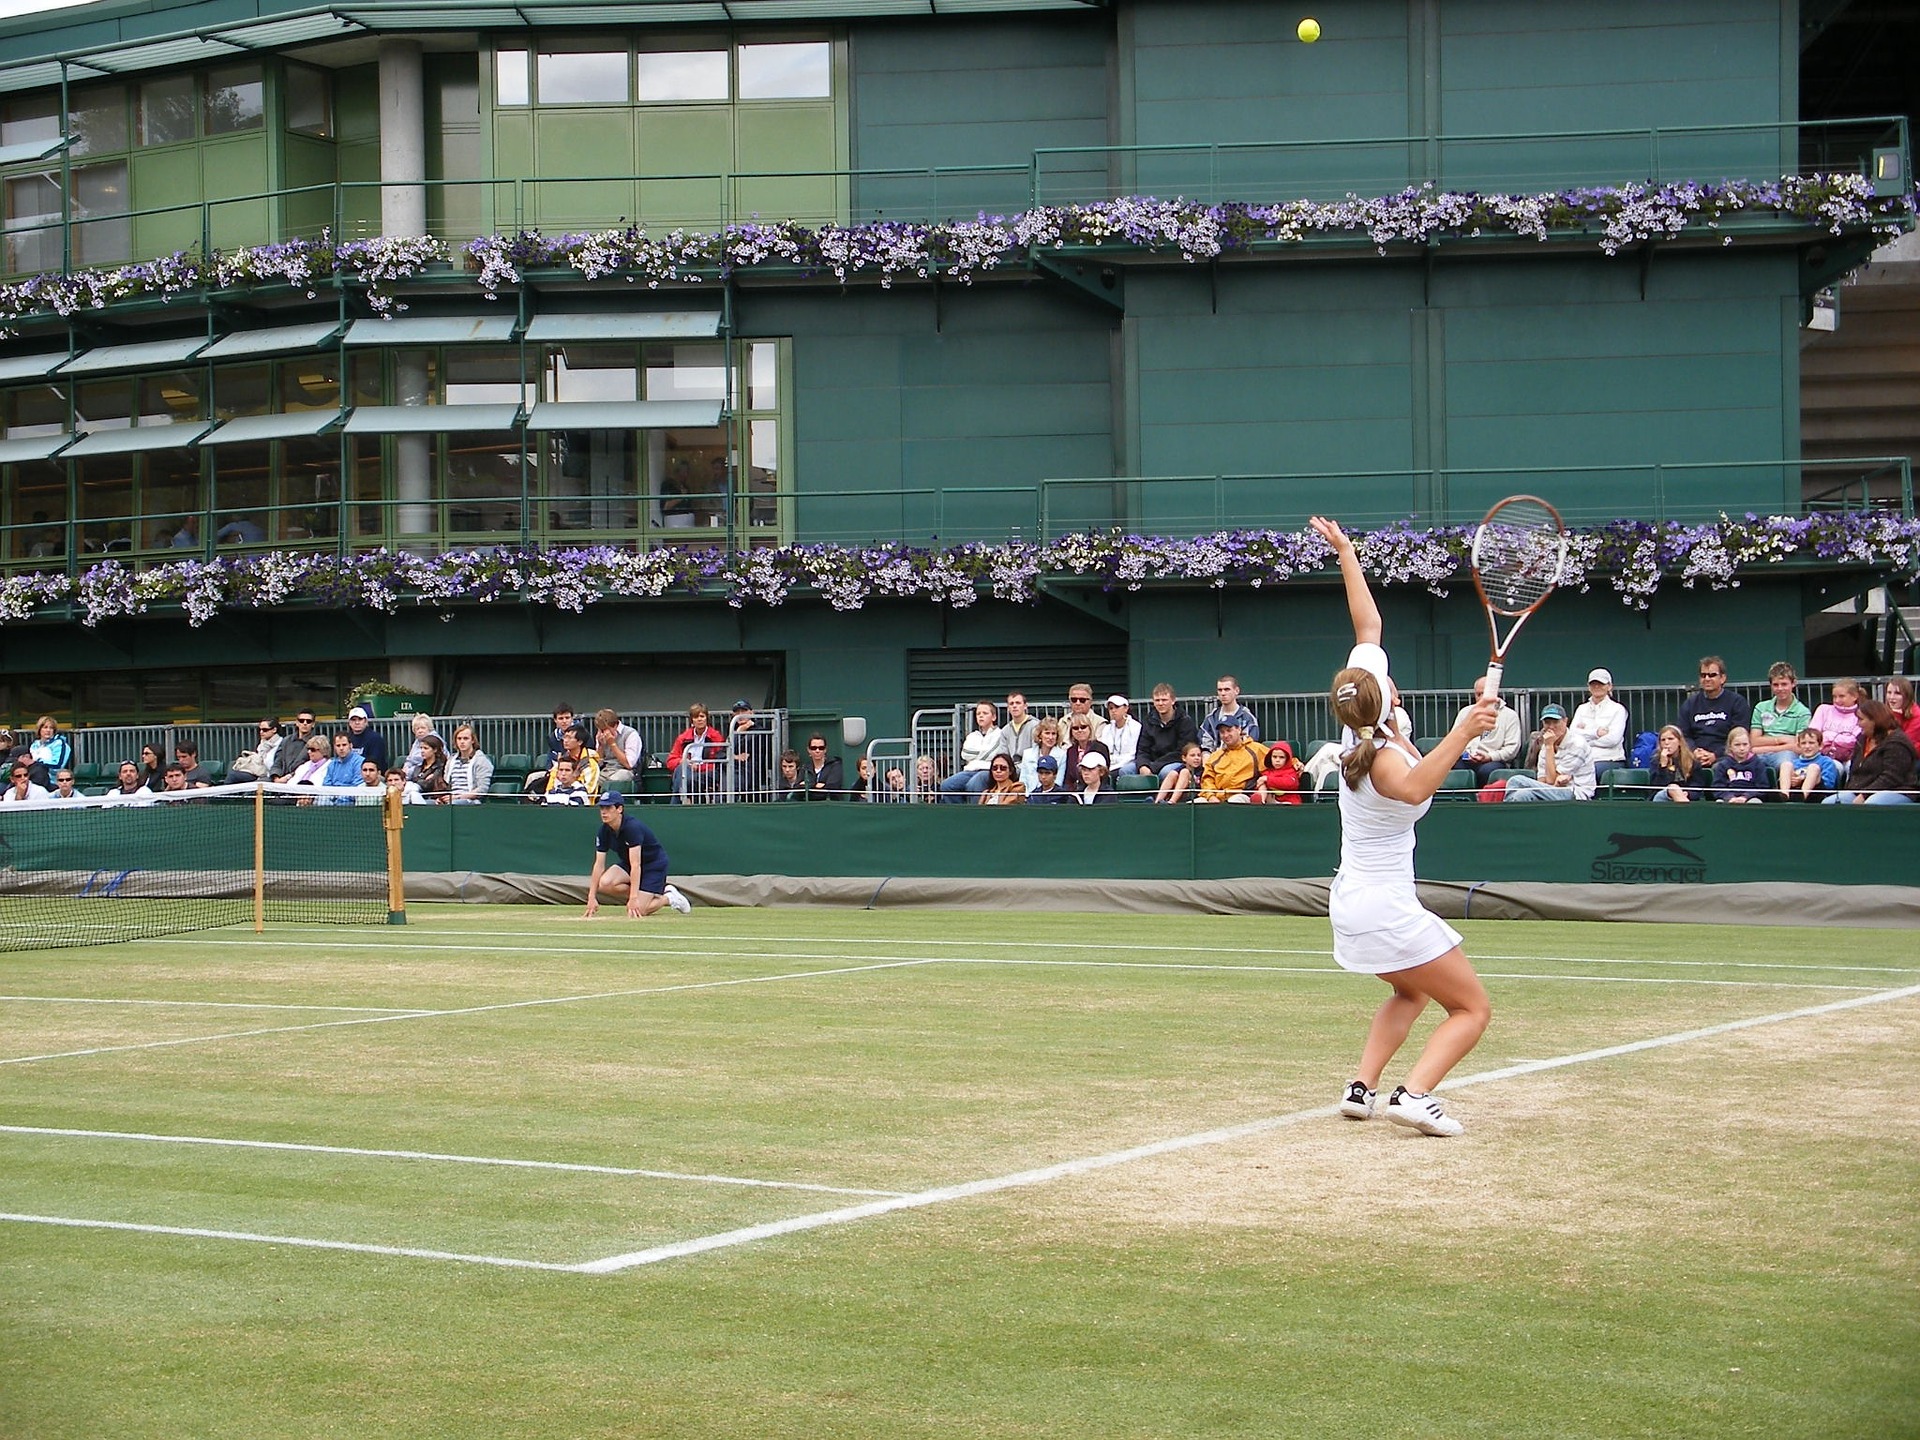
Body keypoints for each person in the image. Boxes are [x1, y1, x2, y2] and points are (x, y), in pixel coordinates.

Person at [1312, 514, 1499, 1139]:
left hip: (1355, 904)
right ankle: (1414, 1095)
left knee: (1409, 994)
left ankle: (1360, 1089)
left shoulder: (1360, 718)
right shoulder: (1389, 761)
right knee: (1472, 1008)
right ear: (1385, 698)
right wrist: (1465, 730)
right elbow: (1418, 785)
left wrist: (1345, 553)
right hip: (1383, 908)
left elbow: (1368, 624)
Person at [584, 792, 690, 918]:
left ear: (619, 809)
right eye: (602, 808)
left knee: (639, 910)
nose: (603, 812)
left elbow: (636, 865)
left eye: (608, 808)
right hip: (628, 863)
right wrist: (591, 897)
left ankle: (669, 898)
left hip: (653, 865)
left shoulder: (632, 828)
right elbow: (599, 865)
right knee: (605, 883)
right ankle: (645, 895)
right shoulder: (603, 830)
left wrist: (634, 898)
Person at [1823, 699, 1917, 805]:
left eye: (1861, 719)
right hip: (1861, 791)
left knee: (1871, 804)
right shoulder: (1862, 739)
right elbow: (1855, 772)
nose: (1858, 724)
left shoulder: (1897, 742)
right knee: (1829, 803)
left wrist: (1865, 795)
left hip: (1897, 790)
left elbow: (1891, 777)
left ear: (1875, 720)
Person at [1502, 705, 1595, 802]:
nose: (1551, 727)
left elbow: (1551, 779)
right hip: (1552, 791)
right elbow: (1542, 780)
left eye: (1555, 722)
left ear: (1565, 721)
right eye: (1547, 722)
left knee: (1516, 781)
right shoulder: (1546, 744)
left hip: (1576, 794)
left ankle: (1505, 814)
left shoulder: (1577, 744)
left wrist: (1549, 746)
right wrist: (1548, 746)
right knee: (1522, 795)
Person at [1678, 656, 1751, 770]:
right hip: (1695, 756)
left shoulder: (1737, 702)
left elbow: (1739, 735)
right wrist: (1695, 751)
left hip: (1726, 756)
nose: (1707, 678)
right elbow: (1684, 735)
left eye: (1712, 675)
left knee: (1720, 767)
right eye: (1703, 675)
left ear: (1723, 678)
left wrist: (1715, 755)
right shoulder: (1690, 704)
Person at [1450, 676, 1522, 785]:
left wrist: (1490, 756)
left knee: (1486, 771)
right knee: (1450, 767)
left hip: (1495, 761)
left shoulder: (1510, 715)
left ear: (1495, 693)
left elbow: (1512, 749)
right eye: (1478, 694)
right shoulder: (1465, 713)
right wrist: (1465, 754)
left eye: (1484, 693)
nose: (1481, 698)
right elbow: (1454, 740)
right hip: (1466, 759)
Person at [1748, 661, 1813, 775]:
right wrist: (1782, 740)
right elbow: (1753, 741)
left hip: (1786, 755)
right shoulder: (1761, 707)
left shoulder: (1803, 712)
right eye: (1776, 685)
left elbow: (1799, 746)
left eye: (1784, 684)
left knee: (1785, 762)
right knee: (1747, 762)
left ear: (1793, 683)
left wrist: (1762, 748)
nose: (1780, 688)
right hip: (1761, 754)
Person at [940, 701, 1008, 803]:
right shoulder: (972, 736)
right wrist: (984, 751)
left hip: (988, 770)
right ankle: (960, 815)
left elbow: (992, 755)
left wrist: (977, 753)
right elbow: (965, 754)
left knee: (974, 784)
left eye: (985, 713)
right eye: (978, 714)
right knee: (947, 785)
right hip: (969, 770)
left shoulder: (1000, 734)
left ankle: (976, 816)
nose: (981, 716)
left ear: (993, 717)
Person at [1569, 668, 1628, 777]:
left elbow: (1613, 740)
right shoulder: (1581, 709)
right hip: (1581, 759)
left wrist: (1586, 740)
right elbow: (1572, 735)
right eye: (1593, 684)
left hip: (1609, 760)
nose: (1596, 687)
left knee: (1586, 772)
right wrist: (1595, 733)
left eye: (1601, 684)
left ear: (1609, 686)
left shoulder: (1618, 709)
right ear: (1588, 687)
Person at [1136, 683, 1199, 779]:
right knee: (1126, 770)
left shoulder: (1185, 721)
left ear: (1173, 701)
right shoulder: (1148, 721)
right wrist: (1143, 765)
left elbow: (1182, 752)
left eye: (1164, 700)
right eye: (1157, 700)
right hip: (1151, 762)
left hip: (1176, 762)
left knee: (1165, 773)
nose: (1160, 703)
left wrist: (1153, 767)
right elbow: (1142, 749)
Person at [1197, 718, 1267, 802]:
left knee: (1234, 801)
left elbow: (1274, 768)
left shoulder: (1257, 749)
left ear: (1239, 729)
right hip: (1217, 797)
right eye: (1222, 732)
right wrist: (1211, 796)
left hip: (1244, 795)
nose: (1226, 735)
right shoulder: (1215, 756)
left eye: (1229, 730)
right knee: (1196, 803)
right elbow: (1207, 779)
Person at [667, 703, 724, 803]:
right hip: (686, 771)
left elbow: (719, 762)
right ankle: (687, 800)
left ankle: (677, 805)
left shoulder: (716, 737)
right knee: (682, 769)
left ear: (707, 718)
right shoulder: (683, 737)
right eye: (696, 717)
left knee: (682, 779)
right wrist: (683, 761)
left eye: (702, 716)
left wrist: (698, 767)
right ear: (692, 720)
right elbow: (670, 761)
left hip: (707, 773)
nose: (699, 719)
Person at [1809, 679, 1865, 770]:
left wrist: (1828, 736)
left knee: (1851, 766)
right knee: (1834, 766)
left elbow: (1854, 740)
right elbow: (1813, 735)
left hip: (1850, 756)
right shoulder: (1823, 709)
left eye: (1842, 696)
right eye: (1834, 697)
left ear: (1854, 696)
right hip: (1824, 756)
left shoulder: (1861, 714)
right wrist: (1841, 740)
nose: (1837, 700)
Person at [1778, 727, 1842, 801]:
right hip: (1793, 792)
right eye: (1803, 743)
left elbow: (1829, 785)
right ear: (1799, 746)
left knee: (1813, 767)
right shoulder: (1794, 762)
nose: (1807, 746)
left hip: (1816, 794)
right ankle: (1784, 795)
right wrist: (1793, 781)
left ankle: (1802, 796)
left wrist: (1802, 781)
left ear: (1820, 746)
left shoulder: (1826, 761)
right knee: (1786, 764)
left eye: (1811, 743)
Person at [1199, 676, 1261, 751]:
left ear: (1237, 691)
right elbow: (1204, 745)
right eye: (1220, 690)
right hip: (1215, 758)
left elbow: (1250, 744)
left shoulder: (1247, 718)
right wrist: (1207, 756)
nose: (1223, 693)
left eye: (1227, 689)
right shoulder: (1211, 718)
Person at [1647, 724, 1706, 802]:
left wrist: (1687, 793)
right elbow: (1656, 787)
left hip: (1686, 797)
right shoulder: (1655, 760)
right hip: (1661, 797)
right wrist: (1663, 766)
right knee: (1673, 788)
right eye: (1663, 740)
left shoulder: (1692, 760)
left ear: (1679, 742)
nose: (1666, 743)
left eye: (1670, 739)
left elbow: (1697, 786)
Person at [1710, 727, 1769, 803]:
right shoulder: (1723, 765)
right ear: (1730, 746)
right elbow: (1717, 788)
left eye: (1745, 744)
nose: (1742, 748)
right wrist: (1730, 797)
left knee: (1755, 802)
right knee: (1719, 802)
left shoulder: (1758, 764)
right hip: (1728, 798)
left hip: (1751, 798)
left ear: (1750, 745)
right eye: (1737, 745)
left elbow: (1762, 788)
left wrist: (1745, 797)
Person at [591, 708, 645, 787]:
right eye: (601, 730)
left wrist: (612, 744)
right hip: (606, 770)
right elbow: (598, 763)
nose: (603, 733)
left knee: (612, 783)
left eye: (605, 730)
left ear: (615, 726)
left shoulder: (631, 734)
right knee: (591, 781)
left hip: (625, 771)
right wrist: (600, 746)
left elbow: (629, 764)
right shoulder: (600, 735)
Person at [446, 724, 494, 803]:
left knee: (452, 804)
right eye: (459, 739)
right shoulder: (451, 760)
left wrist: (458, 797)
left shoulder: (481, 760)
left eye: (465, 738)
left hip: (471, 801)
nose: (462, 742)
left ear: (472, 740)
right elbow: (446, 784)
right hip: (452, 798)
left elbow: (482, 789)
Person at [1017, 717, 1067, 791]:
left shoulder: (1062, 755)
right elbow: (1023, 781)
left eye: (1053, 734)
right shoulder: (1027, 754)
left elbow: (1058, 781)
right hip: (1029, 797)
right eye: (1047, 733)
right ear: (1040, 735)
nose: (1050, 737)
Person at [271, 712, 322, 781]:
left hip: (303, 780)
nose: (305, 723)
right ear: (297, 723)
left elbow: (313, 766)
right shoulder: (286, 740)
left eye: (308, 721)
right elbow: (277, 762)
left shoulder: (317, 742)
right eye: (301, 721)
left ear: (313, 724)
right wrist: (276, 777)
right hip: (280, 779)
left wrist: (288, 777)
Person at [1097, 695, 1142, 774]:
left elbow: (1132, 754)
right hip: (1109, 765)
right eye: (1111, 708)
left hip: (1128, 764)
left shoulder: (1136, 727)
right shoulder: (1107, 729)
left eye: (1117, 707)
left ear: (1126, 708)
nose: (1113, 711)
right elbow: (1103, 750)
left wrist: (1114, 766)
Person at [1059, 714, 1110, 780]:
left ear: (1090, 728)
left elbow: (1104, 775)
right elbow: (1068, 778)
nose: (1079, 730)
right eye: (1075, 728)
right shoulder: (1070, 751)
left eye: (1083, 727)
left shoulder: (1101, 748)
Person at [27, 715, 72, 789]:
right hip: (33, 781)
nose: (48, 730)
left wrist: (37, 763)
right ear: (39, 729)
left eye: (51, 728)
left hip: (52, 783)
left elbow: (58, 766)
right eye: (45, 727)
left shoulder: (60, 744)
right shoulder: (34, 745)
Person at [1254, 740, 1305, 804]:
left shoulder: (1291, 771)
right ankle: (1261, 799)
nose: (1277, 760)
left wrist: (1268, 779)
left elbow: (1289, 783)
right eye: (1274, 757)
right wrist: (1261, 782)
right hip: (1272, 801)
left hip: (1289, 801)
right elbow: (1259, 783)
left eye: (1281, 757)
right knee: (1262, 784)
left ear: (1287, 759)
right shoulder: (1267, 772)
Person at [797, 734, 843, 800]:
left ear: (825, 749)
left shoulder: (835, 765)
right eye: (813, 748)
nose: (817, 751)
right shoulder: (805, 767)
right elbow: (797, 789)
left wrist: (808, 786)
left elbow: (832, 787)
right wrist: (815, 785)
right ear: (808, 750)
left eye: (821, 748)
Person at [344, 706, 390, 771]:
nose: (357, 722)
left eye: (360, 719)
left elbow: (375, 762)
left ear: (365, 721)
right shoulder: (347, 738)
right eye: (353, 720)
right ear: (349, 723)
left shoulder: (375, 738)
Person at [321, 731, 361, 801]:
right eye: (338, 745)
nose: (341, 748)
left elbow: (357, 786)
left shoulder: (359, 762)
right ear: (334, 747)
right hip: (332, 800)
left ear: (351, 745)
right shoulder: (332, 764)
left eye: (344, 745)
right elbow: (326, 785)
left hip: (350, 801)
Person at [399, 713, 439, 781]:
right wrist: (405, 767)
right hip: (412, 772)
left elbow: (422, 761)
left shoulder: (435, 740)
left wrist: (408, 772)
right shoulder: (417, 741)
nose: (420, 731)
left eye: (423, 728)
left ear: (429, 729)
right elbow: (410, 758)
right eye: (417, 729)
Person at [413, 733, 451, 803]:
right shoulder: (418, 768)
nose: (422, 751)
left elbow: (427, 785)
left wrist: (419, 781)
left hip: (433, 798)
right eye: (421, 748)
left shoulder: (441, 767)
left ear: (435, 750)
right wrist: (423, 780)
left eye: (426, 748)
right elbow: (414, 780)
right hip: (418, 796)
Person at [1885, 677, 1920, 749]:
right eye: (1889, 692)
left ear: (1907, 696)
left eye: (1897, 693)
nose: (1891, 697)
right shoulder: (1886, 711)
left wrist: (1896, 715)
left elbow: (1902, 743)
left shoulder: (1917, 716)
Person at [1000, 692, 1037, 757]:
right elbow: (1004, 754)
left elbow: (1036, 750)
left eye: (1018, 703)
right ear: (1008, 708)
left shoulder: (1035, 725)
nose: (1014, 706)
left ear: (1025, 706)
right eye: (1011, 704)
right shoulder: (1005, 730)